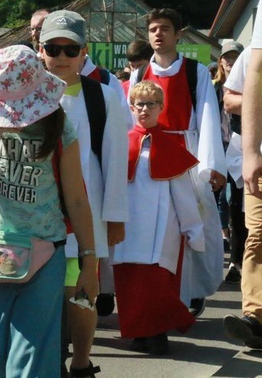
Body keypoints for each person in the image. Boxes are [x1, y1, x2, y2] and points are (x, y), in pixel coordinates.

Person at [0, 45, 99, 377]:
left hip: (46, 251)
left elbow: (76, 198)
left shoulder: (57, 123)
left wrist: (90, 261)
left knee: (30, 362)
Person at [40, 10, 128, 377]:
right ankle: (50, 359)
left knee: (81, 291)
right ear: (39, 48)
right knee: (45, 290)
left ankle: (80, 361)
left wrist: (115, 217)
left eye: (70, 49)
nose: (61, 57)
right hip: (38, 211)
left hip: (85, 212)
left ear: (84, 52)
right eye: (52, 48)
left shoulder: (103, 97)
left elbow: (115, 160)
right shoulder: (28, 94)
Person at [130, 8, 226, 316]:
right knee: (154, 230)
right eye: (154, 29)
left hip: (185, 157)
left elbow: (208, 115)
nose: (158, 34)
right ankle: (155, 295)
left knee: (193, 225)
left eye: (165, 28)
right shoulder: (139, 72)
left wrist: (210, 165)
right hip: (147, 159)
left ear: (177, 34)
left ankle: (192, 290)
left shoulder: (194, 72)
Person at [112, 80, 205, 355]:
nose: (144, 109)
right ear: (131, 107)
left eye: (151, 104)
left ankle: (158, 333)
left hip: (160, 230)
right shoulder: (120, 143)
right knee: (129, 282)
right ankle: (139, 333)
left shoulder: (170, 147)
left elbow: (184, 194)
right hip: (126, 228)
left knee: (155, 283)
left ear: (161, 108)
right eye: (139, 104)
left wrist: (193, 228)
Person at [224, 5, 262, 348]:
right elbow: (230, 97)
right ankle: (255, 316)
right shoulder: (252, 54)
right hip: (259, 159)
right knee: (258, 232)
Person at [214, 41, 244, 270]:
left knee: (233, 197)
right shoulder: (214, 87)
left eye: (235, 57)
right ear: (221, 61)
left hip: (239, 146)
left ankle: (236, 257)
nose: (231, 61)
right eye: (227, 57)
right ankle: (224, 241)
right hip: (219, 145)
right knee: (221, 198)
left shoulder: (248, 86)